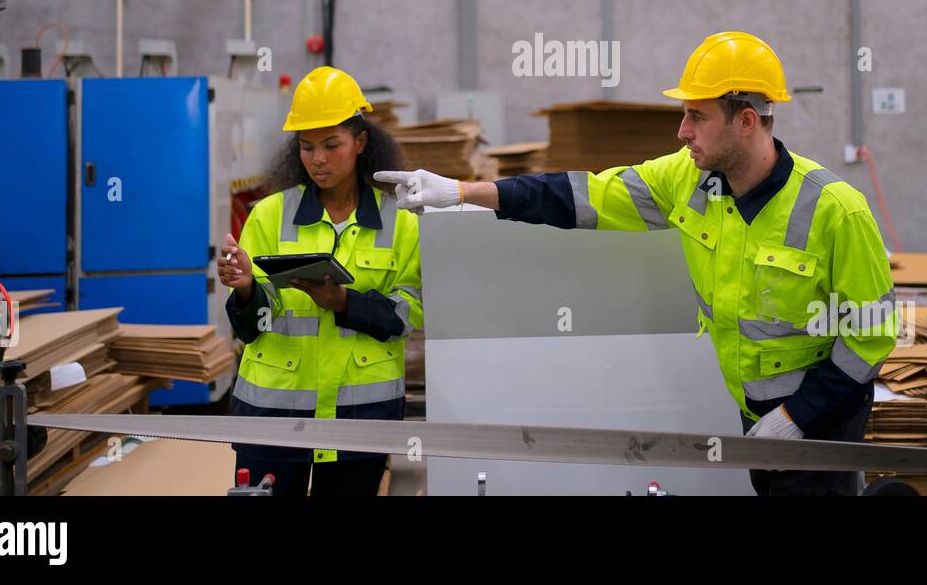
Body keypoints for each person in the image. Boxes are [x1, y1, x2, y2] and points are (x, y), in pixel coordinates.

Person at [377, 31, 896, 496]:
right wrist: (464, 190)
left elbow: (870, 334)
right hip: (755, 417)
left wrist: (795, 416)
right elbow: (579, 195)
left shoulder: (835, 210)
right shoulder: (687, 182)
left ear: (745, 121)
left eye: (697, 115)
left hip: (822, 424)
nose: (681, 131)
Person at [216, 66, 422, 497]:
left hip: (360, 421)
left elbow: (407, 316)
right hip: (272, 418)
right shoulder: (269, 214)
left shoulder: (400, 222)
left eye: (332, 145)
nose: (318, 159)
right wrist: (245, 289)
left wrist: (343, 302)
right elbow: (250, 329)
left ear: (361, 143)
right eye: (307, 147)